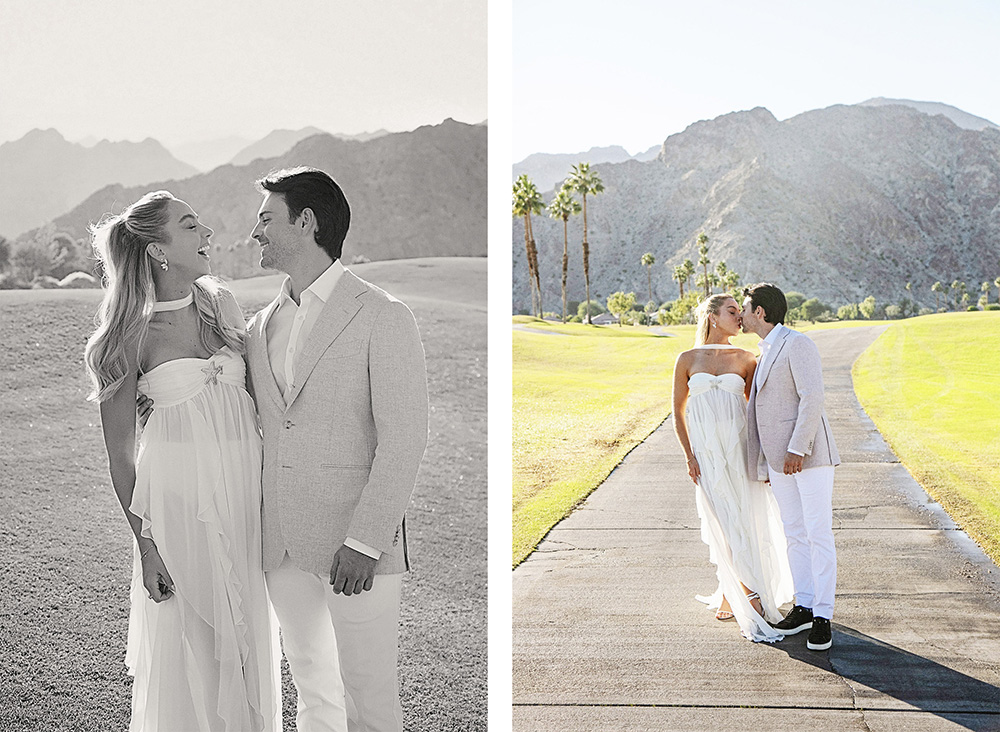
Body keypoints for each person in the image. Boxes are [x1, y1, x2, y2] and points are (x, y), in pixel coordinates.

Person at [84, 191, 279, 730]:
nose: (207, 234)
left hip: (243, 503)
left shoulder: (222, 306)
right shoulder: (126, 336)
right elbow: (121, 459)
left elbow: (260, 406)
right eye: (191, 225)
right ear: (157, 250)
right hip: (177, 512)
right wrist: (146, 548)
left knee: (247, 645)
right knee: (197, 651)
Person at [247, 166, 429, 732]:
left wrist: (365, 541)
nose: (255, 232)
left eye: (266, 219)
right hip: (279, 544)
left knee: (369, 698)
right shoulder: (259, 327)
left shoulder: (383, 315)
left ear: (306, 222)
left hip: (356, 548)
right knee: (312, 687)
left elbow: (404, 438)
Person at [672, 293, 794, 642]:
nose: (739, 316)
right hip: (706, 455)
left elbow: (757, 411)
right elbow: (678, 411)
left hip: (740, 451)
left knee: (743, 518)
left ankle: (744, 590)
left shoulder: (746, 358)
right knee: (722, 521)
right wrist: (689, 456)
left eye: (740, 311)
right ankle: (738, 587)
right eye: (731, 311)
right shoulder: (687, 359)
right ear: (712, 317)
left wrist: (763, 456)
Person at [741, 282, 840, 652]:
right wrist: (768, 461)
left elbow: (812, 397)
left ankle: (823, 616)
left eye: (745, 309)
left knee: (817, 533)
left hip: (808, 456)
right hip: (779, 462)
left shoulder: (797, 343)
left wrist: (798, 448)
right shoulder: (764, 350)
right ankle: (804, 605)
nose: (742, 316)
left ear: (760, 312)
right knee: (794, 533)